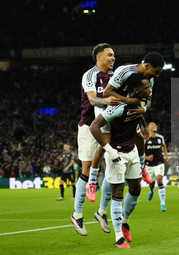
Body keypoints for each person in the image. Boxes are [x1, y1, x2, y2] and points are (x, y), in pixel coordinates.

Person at [92, 52, 165, 233]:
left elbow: (147, 102)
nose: (156, 76)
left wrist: (141, 109)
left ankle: (140, 167)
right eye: (156, 72)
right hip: (108, 110)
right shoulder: (124, 71)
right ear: (146, 66)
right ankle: (91, 182)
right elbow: (107, 93)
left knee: (140, 138)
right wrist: (128, 101)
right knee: (106, 149)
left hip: (128, 113)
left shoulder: (150, 81)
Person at [90, 73, 151, 248]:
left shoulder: (139, 103)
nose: (150, 89)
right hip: (116, 154)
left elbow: (138, 115)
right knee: (117, 194)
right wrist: (110, 151)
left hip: (131, 152)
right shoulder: (118, 107)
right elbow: (95, 127)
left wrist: (144, 123)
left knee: (136, 189)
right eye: (147, 88)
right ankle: (118, 238)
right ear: (136, 90)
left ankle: (124, 222)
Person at [70, 43, 120, 236]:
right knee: (87, 168)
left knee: (113, 170)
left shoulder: (115, 76)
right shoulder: (90, 75)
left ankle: (101, 212)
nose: (113, 58)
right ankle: (77, 214)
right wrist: (108, 100)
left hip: (109, 127)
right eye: (110, 55)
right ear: (99, 57)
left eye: (114, 55)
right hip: (89, 127)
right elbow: (92, 99)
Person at [145, 122, 170, 211]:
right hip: (149, 165)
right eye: (152, 125)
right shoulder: (145, 139)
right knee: (151, 183)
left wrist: (166, 156)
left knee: (159, 181)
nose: (155, 126)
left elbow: (164, 146)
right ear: (148, 128)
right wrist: (147, 157)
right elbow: (140, 152)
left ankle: (163, 204)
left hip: (159, 162)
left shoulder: (160, 137)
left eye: (155, 125)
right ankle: (151, 190)